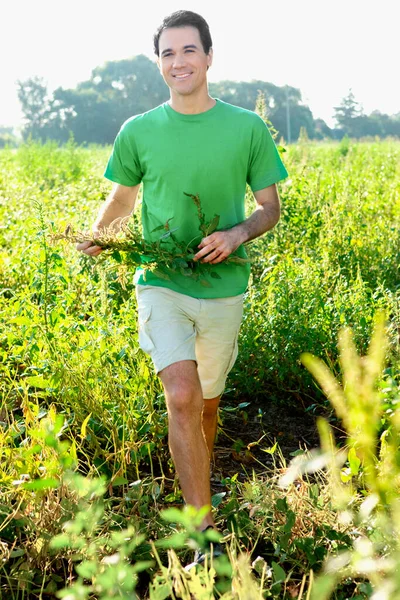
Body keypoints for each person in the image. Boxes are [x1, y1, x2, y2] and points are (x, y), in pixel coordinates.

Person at [77, 9, 288, 559]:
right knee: (181, 395)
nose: (179, 62)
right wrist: (101, 234)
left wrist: (238, 233)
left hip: (223, 286)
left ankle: (198, 493)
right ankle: (203, 539)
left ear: (210, 56)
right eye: (168, 53)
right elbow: (122, 199)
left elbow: (269, 209)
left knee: (207, 406)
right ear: (159, 63)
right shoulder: (138, 130)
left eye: (188, 50)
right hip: (161, 280)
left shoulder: (246, 127)